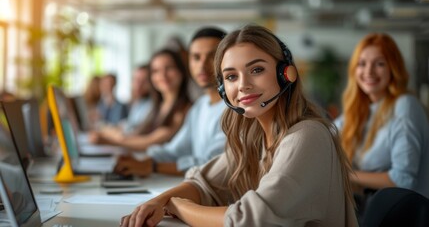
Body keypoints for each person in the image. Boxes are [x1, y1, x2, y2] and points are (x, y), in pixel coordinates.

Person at [120, 25, 357, 227]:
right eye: (231, 76)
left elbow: (252, 219)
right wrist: (158, 202)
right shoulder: (252, 137)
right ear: (223, 88)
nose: (243, 85)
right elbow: (203, 183)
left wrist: (178, 207)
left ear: (286, 73)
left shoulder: (307, 135)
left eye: (256, 70)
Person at [113, 27, 227, 177]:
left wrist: (152, 166)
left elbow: (212, 164)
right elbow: (175, 150)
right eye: (196, 57)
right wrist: (141, 160)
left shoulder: (235, 110)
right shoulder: (200, 106)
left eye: (212, 56)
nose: (202, 65)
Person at [334, 33, 429, 206]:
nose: (368, 71)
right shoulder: (360, 110)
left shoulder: (405, 105)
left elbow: (403, 180)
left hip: (407, 216)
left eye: (379, 64)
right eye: (362, 64)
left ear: (393, 68)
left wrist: (345, 174)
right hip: (378, 210)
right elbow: (327, 133)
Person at [90, 49, 192, 151]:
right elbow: (136, 134)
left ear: (181, 71)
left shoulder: (184, 109)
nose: (162, 75)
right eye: (156, 71)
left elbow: (150, 142)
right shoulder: (158, 106)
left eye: (169, 68)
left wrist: (108, 141)